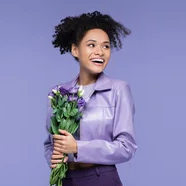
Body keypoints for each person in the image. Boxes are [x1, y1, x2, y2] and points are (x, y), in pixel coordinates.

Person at [43, 11, 137, 186]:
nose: (100, 52)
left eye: (106, 46)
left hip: (100, 178)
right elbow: (50, 144)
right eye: (92, 45)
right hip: (65, 179)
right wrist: (55, 160)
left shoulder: (118, 90)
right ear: (75, 49)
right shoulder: (58, 93)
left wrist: (77, 147)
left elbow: (126, 147)